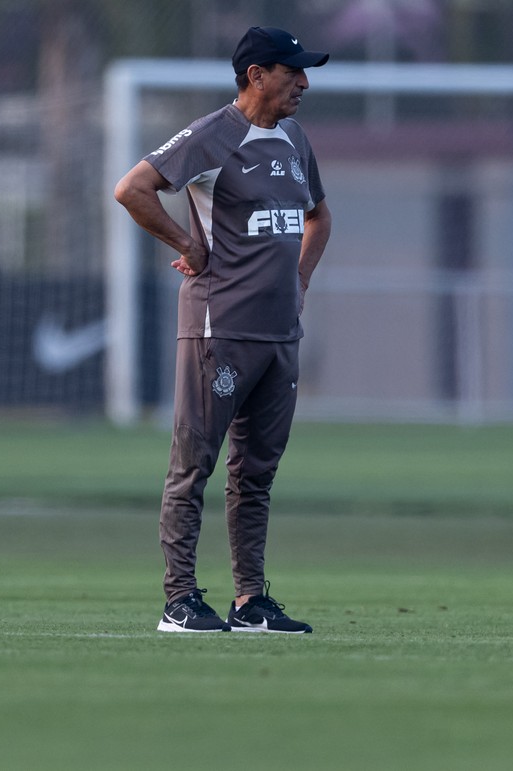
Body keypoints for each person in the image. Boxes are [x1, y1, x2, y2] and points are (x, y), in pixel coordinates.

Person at [114, 26, 332, 634]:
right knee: (194, 465)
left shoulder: (294, 138)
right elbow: (132, 189)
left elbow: (319, 218)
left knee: (256, 473)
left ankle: (249, 601)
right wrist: (188, 243)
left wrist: (300, 283)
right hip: (219, 329)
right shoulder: (215, 135)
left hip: (279, 335)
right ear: (256, 75)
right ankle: (179, 600)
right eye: (293, 72)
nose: (304, 83)